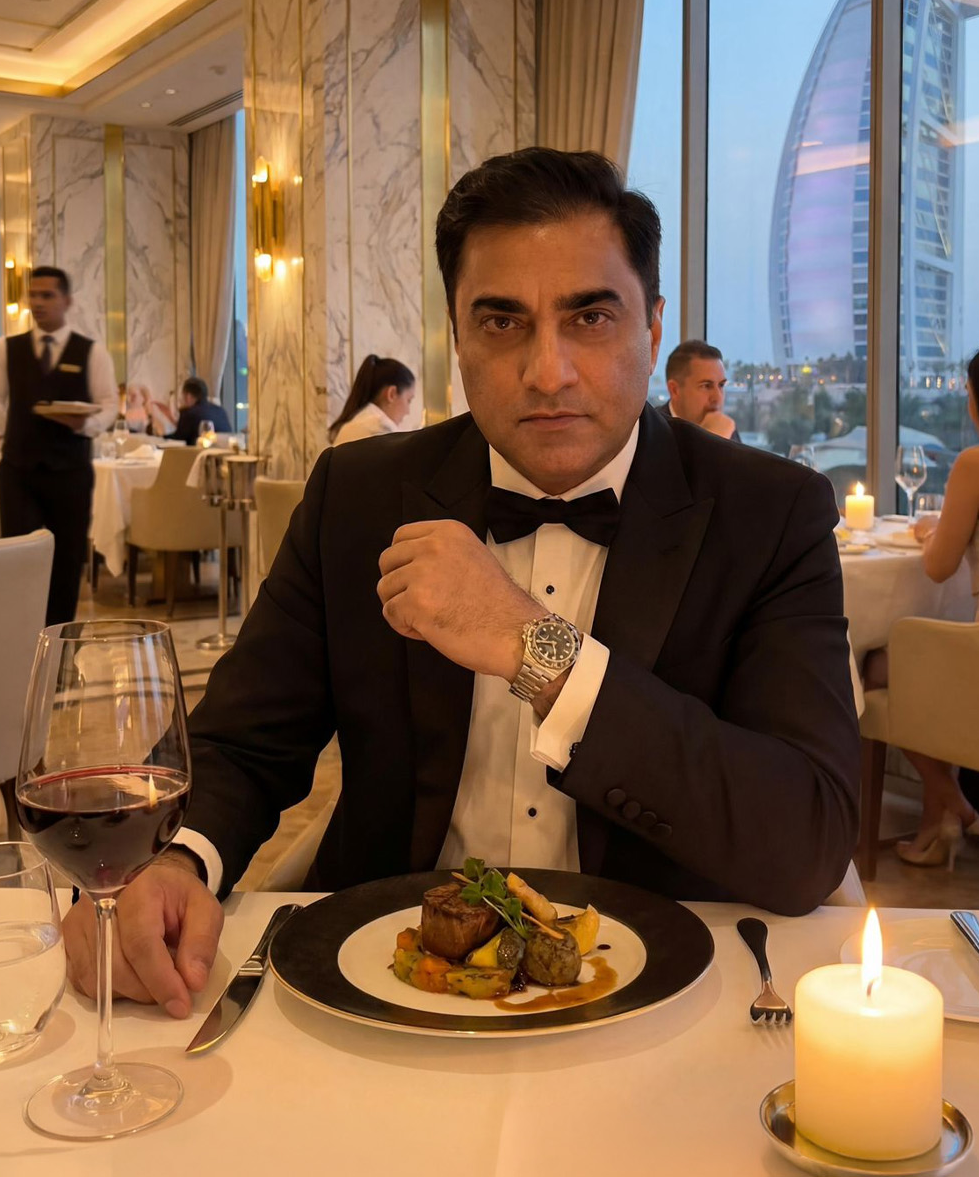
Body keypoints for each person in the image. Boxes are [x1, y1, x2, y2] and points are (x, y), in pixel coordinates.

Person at [62, 148, 858, 1019]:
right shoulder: (358, 495)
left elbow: (807, 837)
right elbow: (241, 744)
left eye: (591, 317)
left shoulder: (769, 513)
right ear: (456, 334)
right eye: (502, 321)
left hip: (665, 994)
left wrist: (535, 648)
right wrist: (174, 861)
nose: (548, 371)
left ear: (652, 326)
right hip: (380, 979)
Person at [882, 338, 979, 870]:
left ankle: (955, 805)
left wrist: (931, 531)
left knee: (869, 668)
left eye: (969, 393)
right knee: (930, 666)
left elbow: (938, 567)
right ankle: (939, 824)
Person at [0, 266, 118, 624]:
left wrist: (84, 424)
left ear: (66, 301)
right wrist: (17, 428)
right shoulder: (6, 348)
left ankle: (61, 642)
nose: (38, 303)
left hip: (70, 472)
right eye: (33, 295)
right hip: (18, 472)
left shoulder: (90, 352)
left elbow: (109, 405)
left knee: (67, 561)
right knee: (19, 558)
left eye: (47, 295)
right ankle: (21, 637)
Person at [661, 339, 740, 441]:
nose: (717, 398)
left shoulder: (726, 429)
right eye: (706, 386)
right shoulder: (652, 432)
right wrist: (713, 443)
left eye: (721, 385)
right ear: (674, 390)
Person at [329, 355, 416, 445]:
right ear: (391, 394)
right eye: (408, 400)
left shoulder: (348, 427)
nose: (408, 411)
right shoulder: (382, 430)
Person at [166, 376, 231, 446]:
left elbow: (178, 439)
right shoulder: (220, 411)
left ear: (188, 396)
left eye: (183, 395)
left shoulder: (189, 413)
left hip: (199, 452)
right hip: (223, 451)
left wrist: (161, 438)